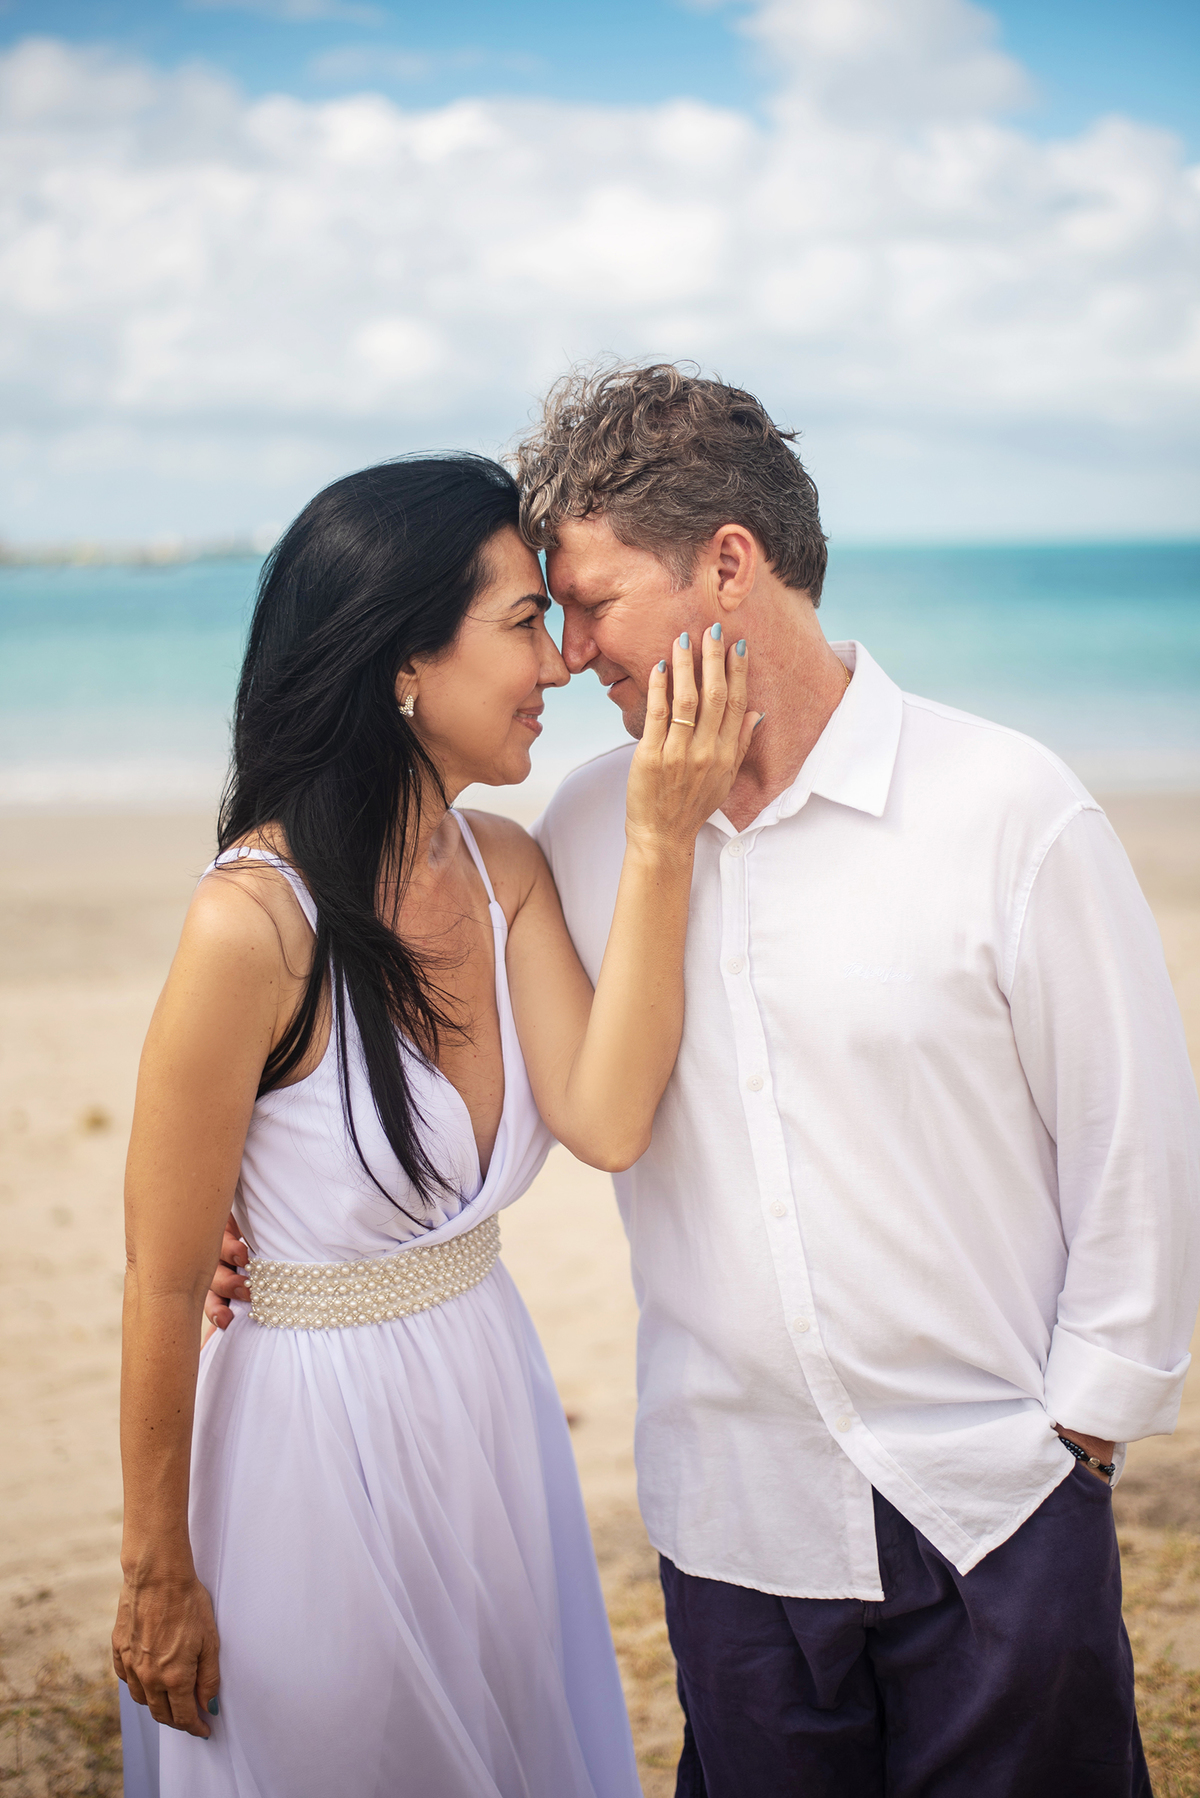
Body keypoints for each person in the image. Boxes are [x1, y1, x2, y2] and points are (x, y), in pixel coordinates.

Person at [509, 364, 1198, 1796]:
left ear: (729, 564)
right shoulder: (584, 829)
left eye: (594, 599)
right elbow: (522, 1089)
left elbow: (1135, 1142)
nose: (571, 654)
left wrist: (1078, 1431)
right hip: (732, 1524)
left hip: (997, 1505)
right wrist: (266, 1226)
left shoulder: (1007, 807)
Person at [113, 452, 756, 1798]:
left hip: (486, 1404)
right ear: (401, 661)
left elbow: (611, 1115)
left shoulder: (505, 869)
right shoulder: (252, 925)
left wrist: (661, 838)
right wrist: (157, 1568)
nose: (561, 664)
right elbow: (167, 1278)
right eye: (526, 622)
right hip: (304, 1434)